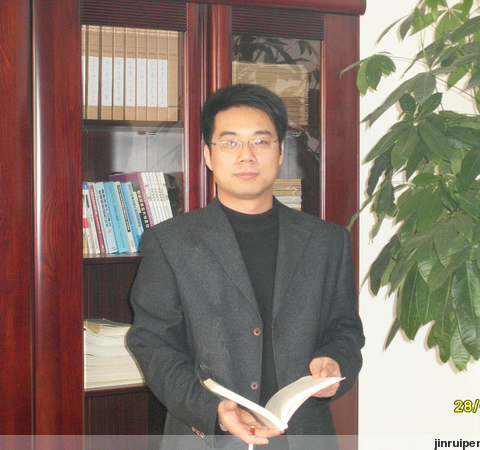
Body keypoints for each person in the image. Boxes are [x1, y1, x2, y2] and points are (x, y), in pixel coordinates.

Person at [126, 83, 365, 449]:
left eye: (261, 141)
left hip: (304, 436)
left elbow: (345, 330)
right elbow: (153, 344)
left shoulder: (326, 241)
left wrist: (335, 363)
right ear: (208, 155)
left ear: (281, 151)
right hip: (209, 438)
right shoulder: (170, 242)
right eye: (230, 142)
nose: (246, 156)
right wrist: (211, 409)